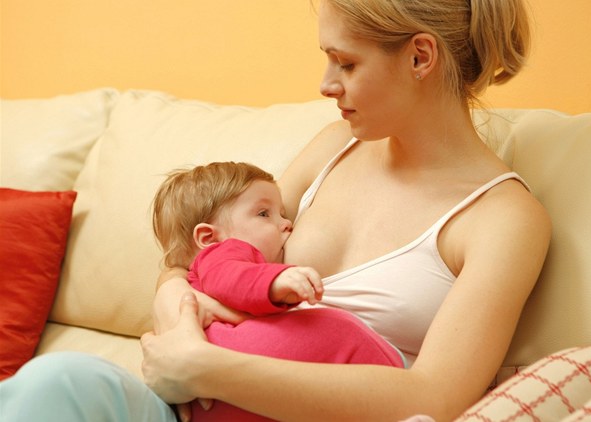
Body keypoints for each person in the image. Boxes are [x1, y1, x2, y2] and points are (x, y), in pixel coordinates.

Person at [0, 1, 551, 421]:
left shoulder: (503, 219)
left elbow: (437, 395)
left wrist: (209, 368)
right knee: (57, 380)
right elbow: (207, 251)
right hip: (193, 403)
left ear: (419, 56)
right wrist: (174, 305)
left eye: (346, 62)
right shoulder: (335, 146)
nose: (326, 84)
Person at [151, 161, 406, 420]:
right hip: (227, 362)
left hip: (217, 389)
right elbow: (230, 277)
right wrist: (274, 281)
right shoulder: (223, 252)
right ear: (209, 238)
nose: (286, 224)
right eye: (264, 214)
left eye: (282, 213)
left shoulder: (203, 272)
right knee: (340, 330)